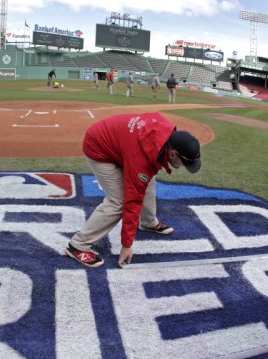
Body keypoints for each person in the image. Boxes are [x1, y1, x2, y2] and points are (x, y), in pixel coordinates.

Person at [65, 112, 202, 269]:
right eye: (184, 163)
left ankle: (148, 222)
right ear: (172, 153)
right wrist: (126, 245)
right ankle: (78, 245)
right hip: (98, 145)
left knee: (148, 179)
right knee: (118, 201)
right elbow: (133, 201)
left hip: (121, 142)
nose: (183, 166)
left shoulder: (166, 132)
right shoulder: (141, 160)